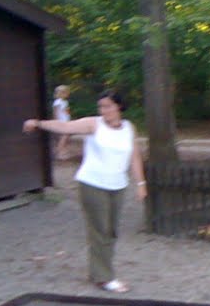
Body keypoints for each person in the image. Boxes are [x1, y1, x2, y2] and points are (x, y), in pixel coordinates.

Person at [23, 90, 146, 293]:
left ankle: (97, 271)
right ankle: (105, 277)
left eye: (107, 106)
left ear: (119, 107)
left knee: (112, 230)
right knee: (101, 230)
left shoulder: (128, 128)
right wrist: (38, 123)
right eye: (101, 107)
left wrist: (141, 184)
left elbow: (135, 157)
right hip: (93, 183)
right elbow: (64, 126)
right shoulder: (93, 124)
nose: (103, 110)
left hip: (118, 185)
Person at [52, 85, 72, 160]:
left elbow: (67, 111)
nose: (68, 94)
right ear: (61, 93)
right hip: (61, 121)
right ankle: (59, 151)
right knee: (64, 136)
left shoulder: (65, 102)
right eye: (66, 93)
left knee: (66, 136)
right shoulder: (57, 102)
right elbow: (56, 112)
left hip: (66, 120)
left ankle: (62, 150)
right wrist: (56, 121)